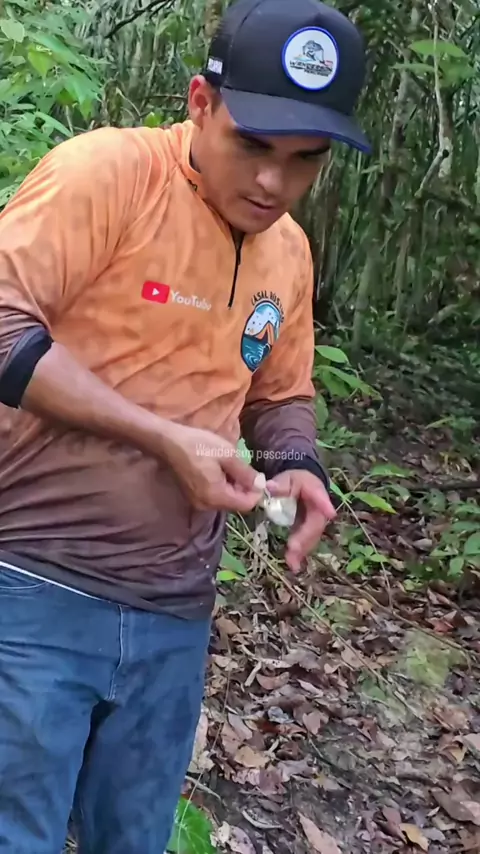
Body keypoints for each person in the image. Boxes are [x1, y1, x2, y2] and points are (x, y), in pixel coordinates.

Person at [0, 0, 370, 850]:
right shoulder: (109, 176)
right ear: (201, 102)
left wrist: (296, 461)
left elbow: (277, 394)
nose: (274, 183)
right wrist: (162, 437)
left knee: (134, 837)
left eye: (305, 160)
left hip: (173, 611)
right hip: (31, 582)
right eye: (254, 145)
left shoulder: (288, 251)